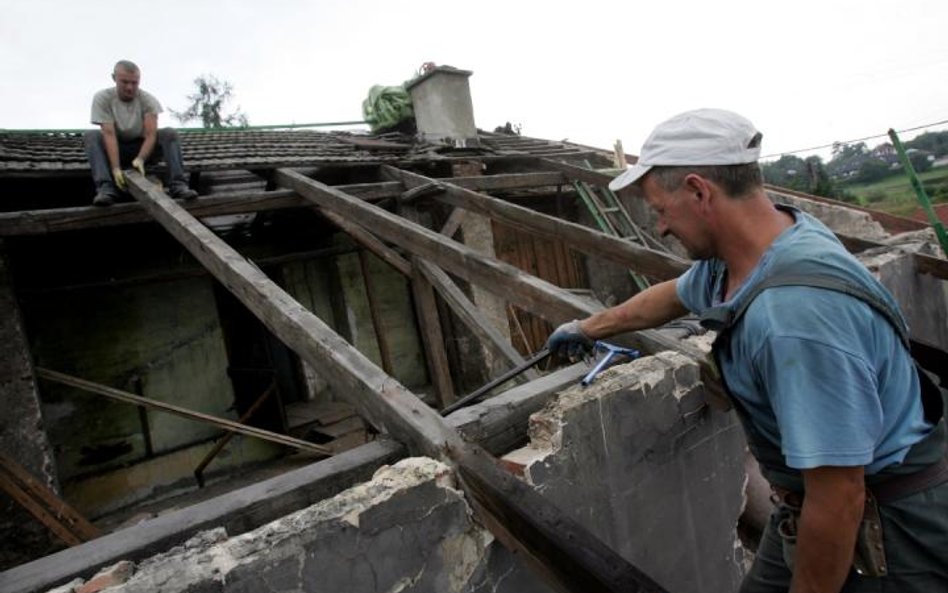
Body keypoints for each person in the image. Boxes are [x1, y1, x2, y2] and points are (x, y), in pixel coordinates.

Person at [546, 108, 947, 592]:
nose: (660, 227)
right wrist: (587, 326)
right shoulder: (763, 246)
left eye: (659, 209)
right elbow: (672, 295)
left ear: (699, 191)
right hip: (804, 507)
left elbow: (839, 494)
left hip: (886, 528)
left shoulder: (794, 318)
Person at [83, 60, 198, 206]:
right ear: (114, 78)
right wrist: (116, 168)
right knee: (91, 136)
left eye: (134, 83)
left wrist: (141, 159)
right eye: (124, 82)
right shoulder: (103, 98)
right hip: (116, 148)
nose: (130, 87)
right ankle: (106, 188)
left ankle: (179, 186)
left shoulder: (148, 100)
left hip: (143, 147)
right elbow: (109, 135)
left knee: (170, 133)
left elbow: (151, 135)